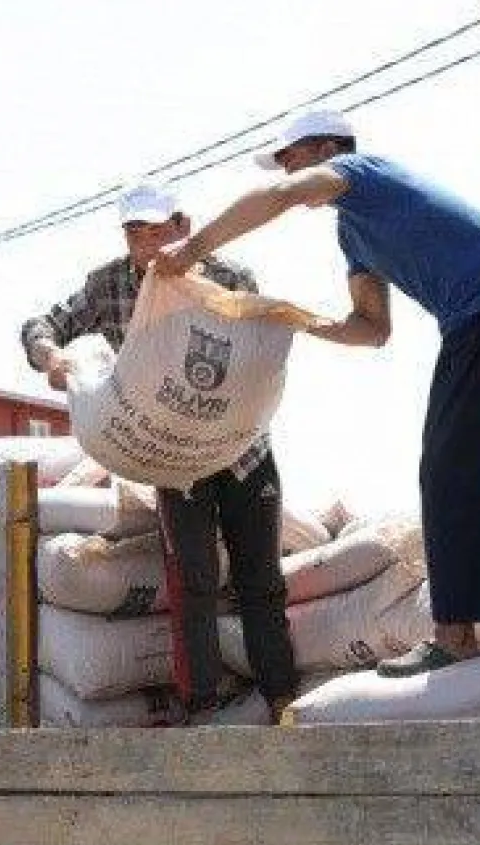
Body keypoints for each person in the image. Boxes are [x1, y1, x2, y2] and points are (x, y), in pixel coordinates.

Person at [156, 107, 480, 676]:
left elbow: (281, 196)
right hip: (476, 323)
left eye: (291, 156)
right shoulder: (352, 232)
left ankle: (455, 635)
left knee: (448, 471)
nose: (288, 168)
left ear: (325, 148)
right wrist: (292, 319)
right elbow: (373, 328)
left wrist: (195, 248)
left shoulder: (361, 171)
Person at [20, 181, 299, 721]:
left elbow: (260, 357)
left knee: (259, 579)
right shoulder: (109, 286)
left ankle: (282, 698)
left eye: (157, 229)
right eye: (135, 231)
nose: (147, 242)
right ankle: (200, 706)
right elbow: (41, 324)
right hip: (173, 456)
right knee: (192, 580)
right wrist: (51, 356)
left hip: (239, 447)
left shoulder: (230, 279)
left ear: (183, 227)